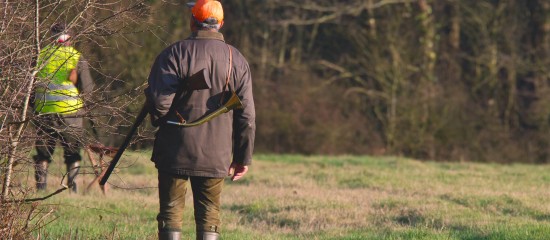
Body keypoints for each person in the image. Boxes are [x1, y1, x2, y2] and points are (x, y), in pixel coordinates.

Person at [146, 0, 255, 239]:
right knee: (209, 216)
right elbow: (246, 116)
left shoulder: (173, 53)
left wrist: (161, 118)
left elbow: (158, 104)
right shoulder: (236, 59)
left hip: (175, 149)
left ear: (192, 21)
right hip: (216, 154)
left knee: (170, 213)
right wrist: (242, 157)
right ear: (221, 23)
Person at [33, 22, 94, 192]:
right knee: (73, 153)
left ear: (51, 38)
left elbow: (30, 89)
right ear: (70, 38)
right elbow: (88, 89)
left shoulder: (40, 56)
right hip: (71, 114)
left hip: (44, 113)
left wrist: (34, 107)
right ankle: (72, 190)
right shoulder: (76, 57)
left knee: (43, 154)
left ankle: (40, 189)